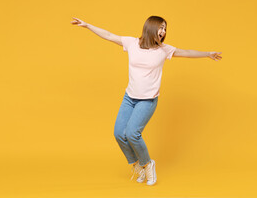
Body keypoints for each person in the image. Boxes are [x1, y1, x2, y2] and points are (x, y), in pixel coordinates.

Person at [71, 16, 222, 185]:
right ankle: (138, 166)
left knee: (132, 134)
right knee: (119, 134)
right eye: (161, 28)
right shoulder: (131, 43)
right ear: (151, 28)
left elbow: (186, 52)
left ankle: (148, 164)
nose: (164, 32)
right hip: (129, 98)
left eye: (165, 29)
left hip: (147, 100)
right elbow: (108, 35)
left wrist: (207, 54)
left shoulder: (164, 50)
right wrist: (87, 25)